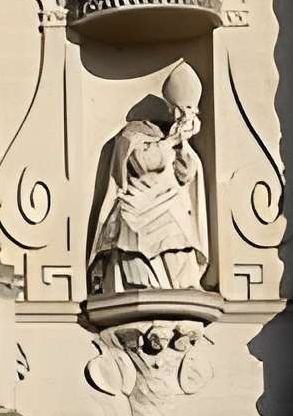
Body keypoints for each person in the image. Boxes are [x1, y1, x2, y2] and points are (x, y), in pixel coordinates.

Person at [89, 66, 208, 298]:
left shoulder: (171, 137)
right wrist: (171, 140)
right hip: (136, 207)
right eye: (180, 110)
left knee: (178, 230)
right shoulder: (133, 133)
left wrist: (183, 144)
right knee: (133, 234)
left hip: (167, 206)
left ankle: (184, 286)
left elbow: (186, 175)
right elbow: (143, 163)